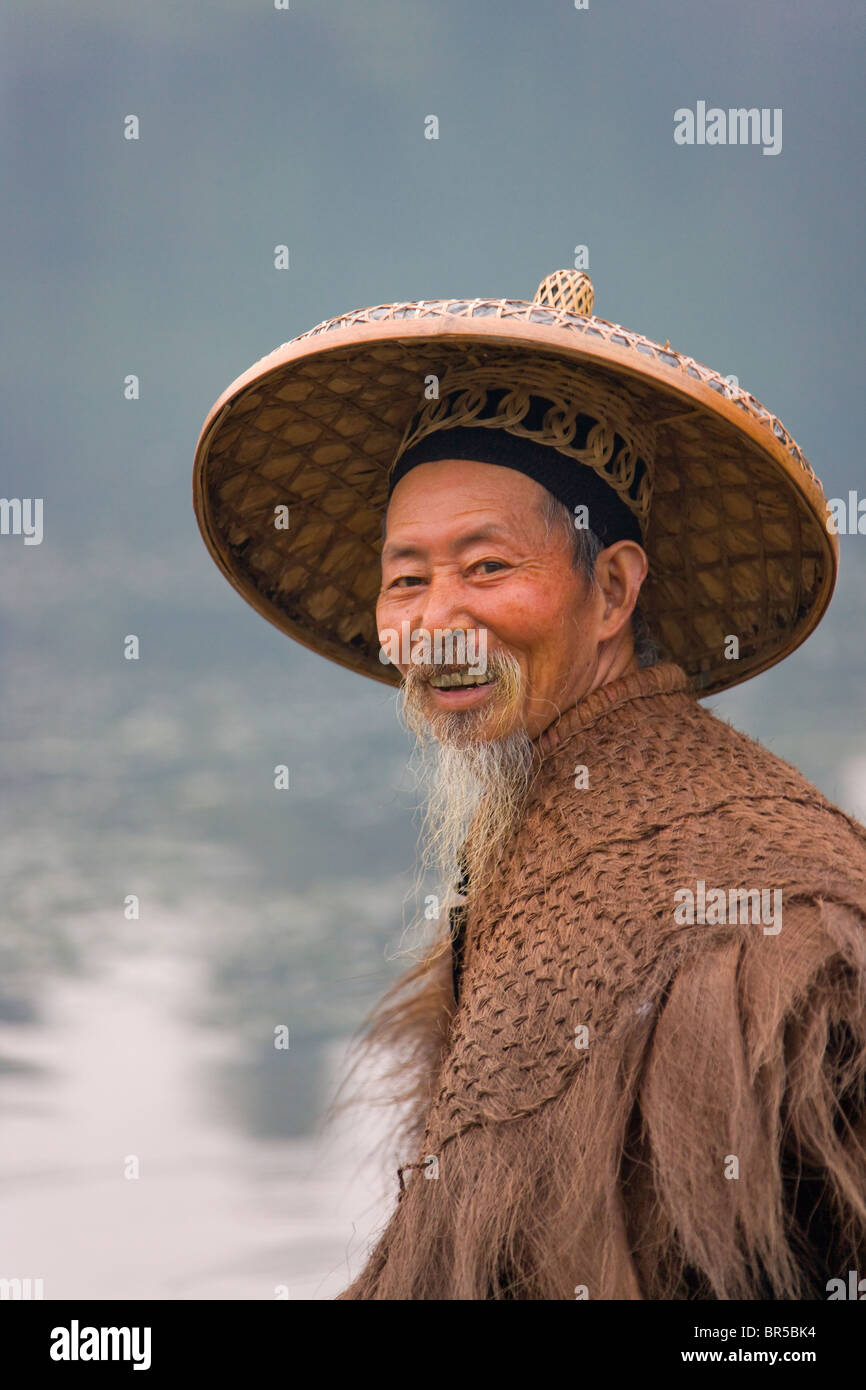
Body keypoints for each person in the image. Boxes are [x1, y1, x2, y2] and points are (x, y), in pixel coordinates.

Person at [194, 269, 866, 1299]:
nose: (437, 622)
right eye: (406, 579)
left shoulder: (768, 902)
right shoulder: (533, 812)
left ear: (610, 591)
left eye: (487, 566)